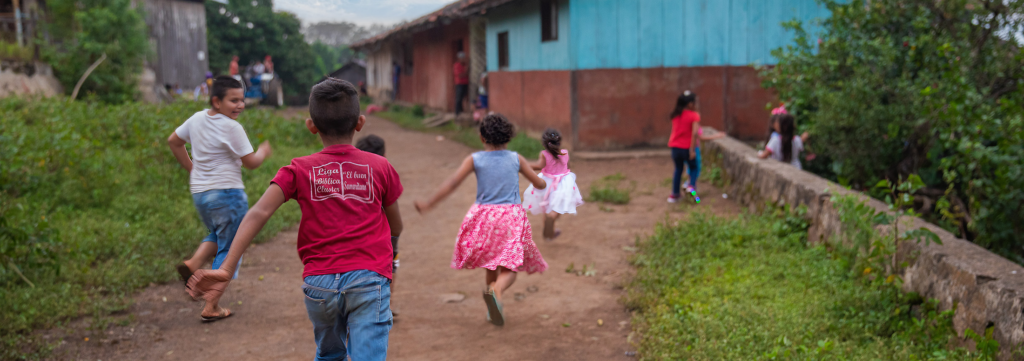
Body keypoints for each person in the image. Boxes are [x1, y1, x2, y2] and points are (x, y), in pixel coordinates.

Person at [188, 78, 404, 360]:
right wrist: (392, 245)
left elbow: (258, 213)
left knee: (329, 355)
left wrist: (227, 269)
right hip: (368, 280)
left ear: (311, 125)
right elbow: (396, 223)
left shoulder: (298, 169)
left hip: (320, 285)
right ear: (360, 123)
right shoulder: (380, 166)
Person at [413, 114, 548, 326]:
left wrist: (429, 203)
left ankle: (492, 306)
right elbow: (538, 183)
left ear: (481, 138)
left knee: (491, 265)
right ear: (509, 137)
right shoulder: (516, 158)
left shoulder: (474, 159)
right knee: (510, 268)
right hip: (510, 218)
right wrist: (543, 182)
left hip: (484, 217)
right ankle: (497, 291)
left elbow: (453, 182)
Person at [167, 75, 272, 322]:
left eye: (242, 100)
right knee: (231, 247)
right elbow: (251, 163)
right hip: (228, 194)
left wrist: (191, 167)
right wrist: (264, 152)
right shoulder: (232, 127)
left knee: (218, 232)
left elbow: (174, 141)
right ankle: (211, 305)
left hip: (201, 195)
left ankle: (193, 265)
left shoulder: (196, 118)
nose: (240, 105)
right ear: (216, 101)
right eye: (233, 100)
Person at [354, 134, 399, 316]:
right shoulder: (385, 172)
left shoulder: (351, 174)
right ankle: (384, 305)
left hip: (356, 229)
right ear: (384, 154)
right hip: (383, 230)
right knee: (390, 265)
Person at [522, 128, 583, 241]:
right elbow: (567, 166)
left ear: (544, 143)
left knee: (546, 207)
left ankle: (549, 233)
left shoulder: (544, 154)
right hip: (563, 183)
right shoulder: (565, 152)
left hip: (547, 183)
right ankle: (551, 223)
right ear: (559, 142)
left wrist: (524, 165)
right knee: (558, 207)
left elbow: (539, 166)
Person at [667, 91, 700, 203]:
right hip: (686, 147)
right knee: (694, 168)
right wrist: (692, 150)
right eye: (694, 102)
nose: (695, 104)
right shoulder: (694, 115)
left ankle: (674, 195)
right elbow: (695, 134)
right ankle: (692, 188)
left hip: (675, 147)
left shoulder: (675, 114)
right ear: (690, 103)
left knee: (678, 170)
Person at [453, 51, 469, 116]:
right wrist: (466, 73)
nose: (463, 59)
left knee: (464, 97)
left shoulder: (465, 65)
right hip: (459, 84)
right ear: (459, 59)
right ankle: (457, 112)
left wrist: (465, 73)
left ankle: (461, 110)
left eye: (464, 58)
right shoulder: (456, 65)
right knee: (458, 98)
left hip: (465, 83)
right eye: (462, 58)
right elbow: (460, 75)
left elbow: (464, 74)